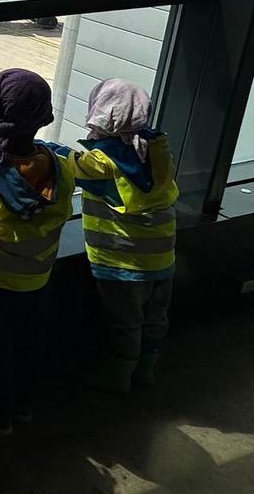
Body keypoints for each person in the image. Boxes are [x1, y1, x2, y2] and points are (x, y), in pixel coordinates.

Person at [0, 68, 75, 437]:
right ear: (44, 117)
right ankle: (24, 407)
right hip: (39, 277)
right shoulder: (61, 169)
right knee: (30, 345)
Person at [68, 79, 178, 393]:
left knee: (125, 321)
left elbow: (66, 166)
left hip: (122, 262)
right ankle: (147, 370)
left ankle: (118, 377)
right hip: (161, 257)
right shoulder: (157, 151)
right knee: (155, 317)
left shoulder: (103, 162)